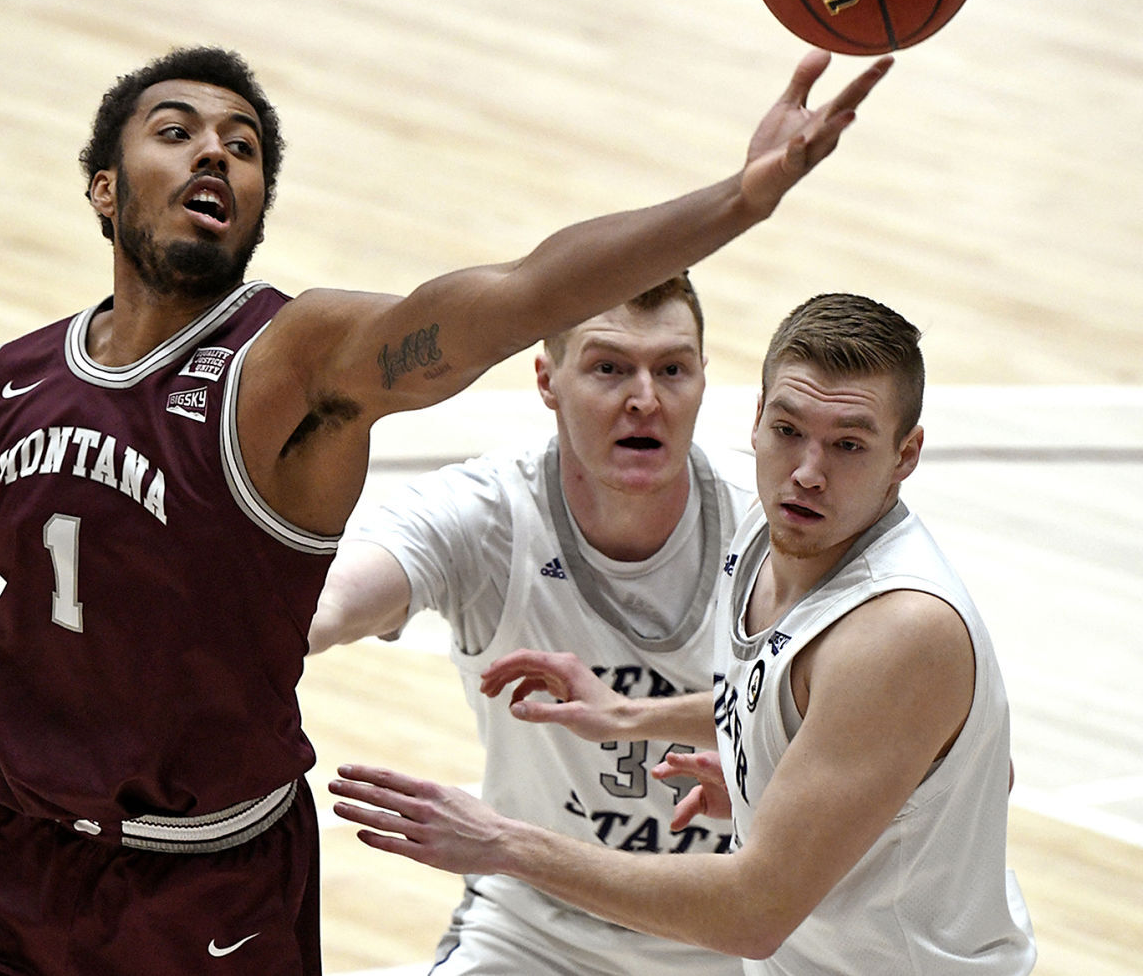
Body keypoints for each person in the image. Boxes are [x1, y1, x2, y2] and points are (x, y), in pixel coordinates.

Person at [0, 46, 891, 975]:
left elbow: (522, 291)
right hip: (0, 872)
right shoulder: (6, 387)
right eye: (176, 131)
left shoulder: (298, 366)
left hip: (206, 894)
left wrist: (740, 198)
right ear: (107, 187)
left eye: (242, 144)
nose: (214, 154)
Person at [330, 293, 1036, 975]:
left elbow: (753, 912)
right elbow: (820, 714)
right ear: (758, 418)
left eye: (848, 444)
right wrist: (633, 717)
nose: (809, 472)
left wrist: (501, 842)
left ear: (906, 456)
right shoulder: (769, 529)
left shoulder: (901, 626)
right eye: (789, 431)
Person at [309, 271, 755, 975]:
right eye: (609, 367)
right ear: (547, 379)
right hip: (535, 932)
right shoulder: (487, 514)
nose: (645, 398)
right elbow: (329, 601)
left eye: (672, 368)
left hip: (736, 932)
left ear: (704, 379)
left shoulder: (770, 527)